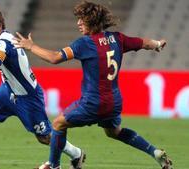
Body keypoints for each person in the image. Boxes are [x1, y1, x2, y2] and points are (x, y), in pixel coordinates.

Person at [13, 1, 173, 169]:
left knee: (58, 124)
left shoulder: (85, 43)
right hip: (114, 102)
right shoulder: (118, 38)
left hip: (93, 102)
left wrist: (31, 46)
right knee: (114, 132)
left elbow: (54, 57)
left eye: (82, 19)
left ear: (93, 21)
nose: (78, 23)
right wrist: (157, 44)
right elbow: (143, 43)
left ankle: (53, 165)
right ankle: (155, 152)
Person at [0, 8, 85, 169]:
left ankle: (76, 154)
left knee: (44, 138)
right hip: (8, 91)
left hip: (28, 97)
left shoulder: (3, 43)